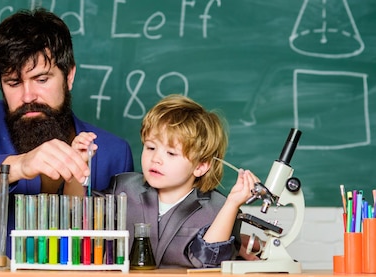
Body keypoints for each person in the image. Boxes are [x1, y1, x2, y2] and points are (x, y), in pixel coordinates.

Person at [0, 8, 134, 259]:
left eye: (41, 80)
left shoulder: (114, 153)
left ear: (69, 76)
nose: (28, 96)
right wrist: (18, 166)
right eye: (14, 82)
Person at [91, 94, 260, 268]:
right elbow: (79, 217)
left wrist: (232, 205)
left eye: (171, 153)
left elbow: (208, 262)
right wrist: (77, 172)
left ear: (201, 166)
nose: (156, 158)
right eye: (150, 147)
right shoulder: (123, 188)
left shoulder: (219, 209)